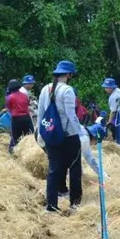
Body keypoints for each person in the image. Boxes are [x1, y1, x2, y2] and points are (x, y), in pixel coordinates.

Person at [37, 60, 84, 213]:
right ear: (69, 74)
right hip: (69, 135)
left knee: (54, 169)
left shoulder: (45, 89)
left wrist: (40, 133)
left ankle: (51, 206)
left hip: (51, 134)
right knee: (75, 167)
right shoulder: (68, 90)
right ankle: (75, 202)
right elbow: (71, 115)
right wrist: (82, 131)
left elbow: (41, 113)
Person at [5, 79, 33, 153]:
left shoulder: (10, 97)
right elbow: (27, 105)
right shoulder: (25, 96)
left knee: (16, 138)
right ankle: (29, 152)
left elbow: (9, 108)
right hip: (27, 118)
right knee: (29, 136)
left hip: (16, 119)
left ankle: (15, 153)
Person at [102, 78, 120, 146]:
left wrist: (109, 121)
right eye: (105, 87)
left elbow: (113, 111)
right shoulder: (118, 90)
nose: (106, 89)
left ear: (112, 87)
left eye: (107, 87)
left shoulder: (113, 96)